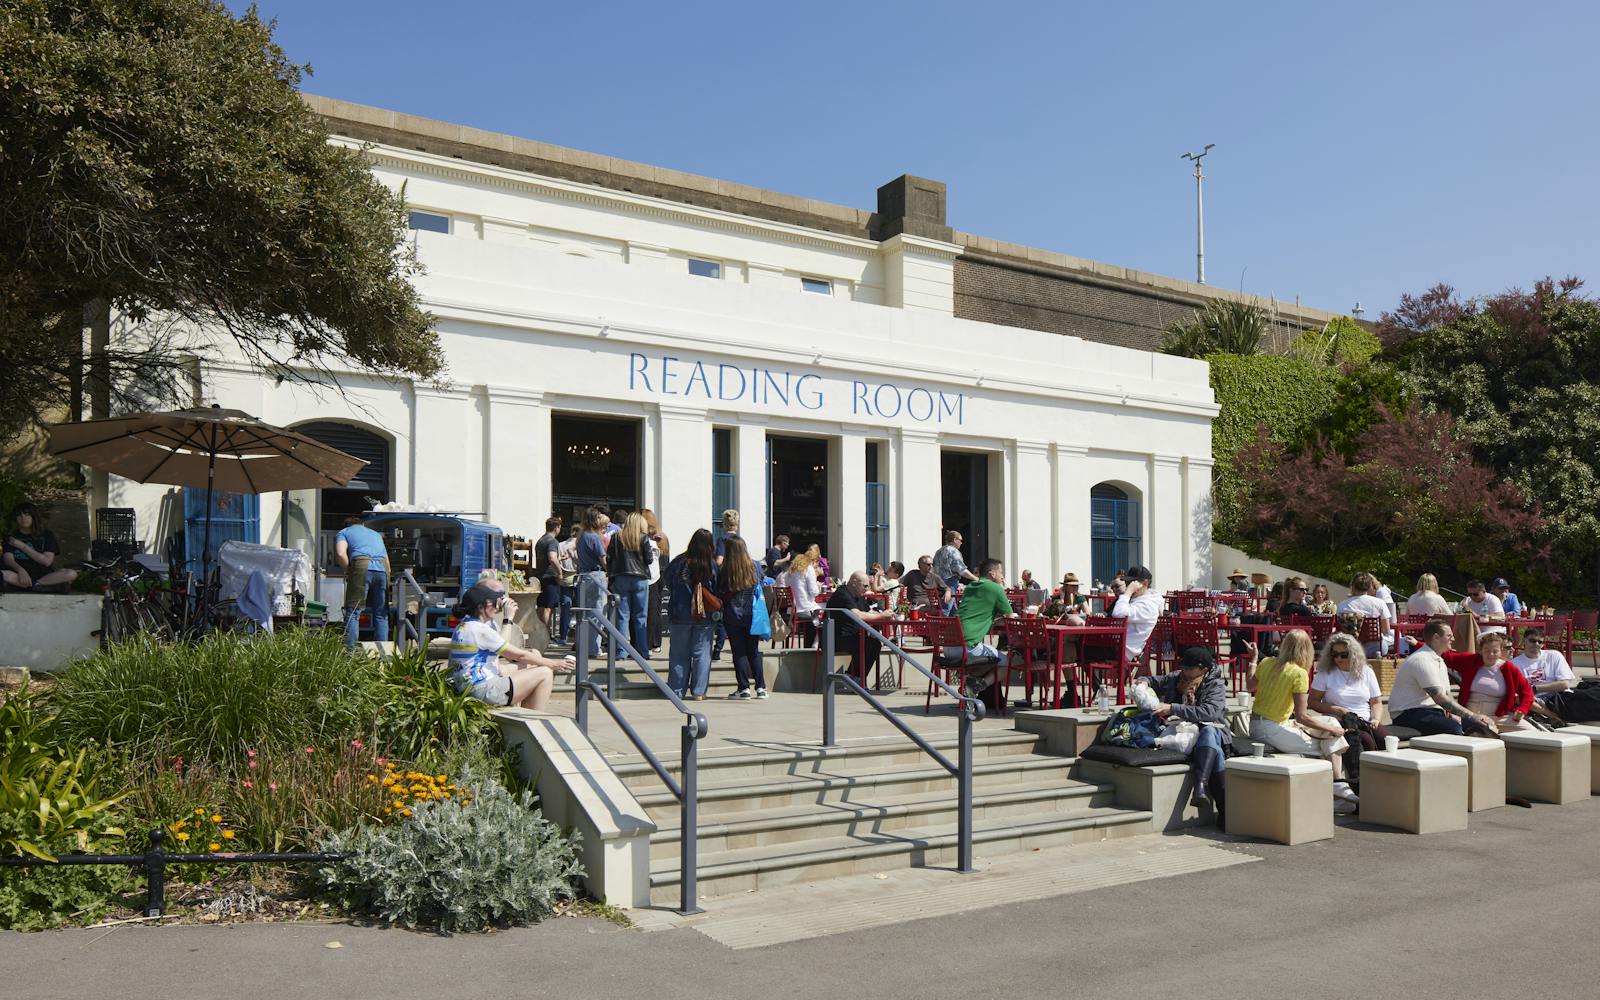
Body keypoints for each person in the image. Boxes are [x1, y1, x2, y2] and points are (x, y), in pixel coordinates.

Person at [1248, 629, 1355, 802]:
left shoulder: (1267, 662)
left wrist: (1253, 660)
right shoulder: (1299, 673)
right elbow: (1302, 717)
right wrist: (1334, 730)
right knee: (1329, 741)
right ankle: (1337, 786)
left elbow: (1249, 686)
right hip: (1272, 729)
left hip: (1257, 725)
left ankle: (1337, 787)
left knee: (1330, 723)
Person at [1135, 645, 1231, 813]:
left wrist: (1173, 708)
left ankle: (1200, 787)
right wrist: (1143, 682)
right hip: (1182, 733)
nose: (1184, 670)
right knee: (1216, 752)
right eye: (1183, 666)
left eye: (1188, 668)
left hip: (1212, 731)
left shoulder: (1215, 685)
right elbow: (1152, 679)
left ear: (1204, 669)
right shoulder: (1175, 678)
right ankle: (1222, 809)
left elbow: (1209, 713)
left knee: (1208, 732)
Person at [447, 584, 574, 709]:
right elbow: (520, 655)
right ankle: (531, 721)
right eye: (493, 603)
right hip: (483, 690)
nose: (497, 607)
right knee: (545, 673)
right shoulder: (480, 630)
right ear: (481, 607)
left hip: (469, 685)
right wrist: (554, 664)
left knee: (533, 661)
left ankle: (525, 713)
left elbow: (503, 648)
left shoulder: (464, 626)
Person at [1388, 620, 1496, 736]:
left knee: (1479, 726)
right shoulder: (1421, 659)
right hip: (1408, 713)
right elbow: (1439, 698)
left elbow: (1447, 696)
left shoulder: (1439, 660)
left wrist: (1455, 715)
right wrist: (1473, 715)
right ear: (1436, 637)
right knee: (1452, 728)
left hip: (1431, 711)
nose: (1453, 639)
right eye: (1449, 636)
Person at [1309, 632, 1389, 778]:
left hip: (1365, 720)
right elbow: (1312, 702)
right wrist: (1337, 710)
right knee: (1365, 742)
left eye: (1343, 655)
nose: (1338, 658)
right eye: (1334, 654)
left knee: (1385, 739)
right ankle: (1359, 781)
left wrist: (1376, 719)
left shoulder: (1367, 672)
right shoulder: (1325, 673)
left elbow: (1376, 702)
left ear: (1353, 654)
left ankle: (1384, 778)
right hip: (1339, 721)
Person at [942, 558, 1013, 697]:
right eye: (1001, 572)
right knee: (1006, 662)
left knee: (987, 658)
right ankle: (978, 686)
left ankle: (970, 680)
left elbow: (976, 611)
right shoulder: (996, 588)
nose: (1003, 576)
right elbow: (1010, 617)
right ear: (992, 573)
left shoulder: (971, 587)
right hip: (966, 646)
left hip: (948, 646)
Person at [666, 528, 718, 700]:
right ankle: (699, 691)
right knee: (702, 653)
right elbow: (718, 587)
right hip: (704, 615)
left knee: (679, 653)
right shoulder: (711, 565)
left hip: (680, 613)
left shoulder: (679, 562)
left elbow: (667, 580)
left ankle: (676, 690)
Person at [719, 537, 769, 699]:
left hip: (732, 615)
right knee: (753, 651)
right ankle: (761, 687)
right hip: (752, 614)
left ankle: (743, 688)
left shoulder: (725, 569)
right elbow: (761, 582)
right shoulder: (755, 566)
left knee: (739, 652)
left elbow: (720, 589)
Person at [825, 570, 896, 686]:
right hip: (836, 638)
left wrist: (885, 614)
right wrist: (881, 616)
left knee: (875, 644)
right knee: (866, 645)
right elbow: (857, 615)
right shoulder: (842, 594)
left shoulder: (859, 595)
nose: (867, 589)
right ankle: (853, 678)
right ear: (854, 582)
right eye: (865, 585)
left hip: (852, 636)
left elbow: (869, 611)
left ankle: (855, 678)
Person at [1456, 632, 1535, 733]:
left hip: (1498, 717)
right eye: (1487, 651)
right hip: (1471, 715)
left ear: (1501, 651)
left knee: (1531, 732)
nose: (1491, 654)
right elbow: (1445, 656)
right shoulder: (1470, 660)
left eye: (1495, 651)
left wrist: (1522, 710)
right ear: (1480, 651)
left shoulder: (1509, 668)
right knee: (1485, 733)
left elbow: (1527, 692)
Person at [334, 515, 389, 650]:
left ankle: (350, 653)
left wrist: (348, 571)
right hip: (383, 569)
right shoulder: (376, 534)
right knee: (381, 613)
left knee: (353, 611)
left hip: (362, 565)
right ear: (363, 525)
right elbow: (387, 560)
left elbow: (341, 553)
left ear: (347, 525)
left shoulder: (344, 532)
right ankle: (383, 652)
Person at [606, 512, 654, 657]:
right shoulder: (643, 538)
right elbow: (649, 559)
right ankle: (642, 651)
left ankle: (621, 652)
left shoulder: (616, 537)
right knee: (640, 616)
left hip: (621, 577)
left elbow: (609, 558)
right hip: (640, 578)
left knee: (622, 616)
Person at [3, 503, 77, 591]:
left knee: (71, 573)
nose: (23, 519)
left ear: (33, 517)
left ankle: (32, 585)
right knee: (3, 574)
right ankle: (39, 586)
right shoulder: (12, 536)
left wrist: (22, 546)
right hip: (18, 574)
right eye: (19, 516)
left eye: (27, 515)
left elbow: (46, 561)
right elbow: (8, 559)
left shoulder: (46, 535)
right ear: (15, 518)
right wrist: (20, 570)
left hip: (42, 575)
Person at [574, 508, 610, 657]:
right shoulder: (595, 538)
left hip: (583, 576)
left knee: (584, 614)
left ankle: (583, 647)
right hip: (596, 576)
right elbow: (603, 560)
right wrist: (611, 570)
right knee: (597, 613)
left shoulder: (581, 536)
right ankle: (594, 649)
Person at [1110, 565, 1163, 663]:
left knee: (1081, 647)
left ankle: (1076, 678)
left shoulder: (1148, 605)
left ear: (1145, 583)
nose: (1128, 585)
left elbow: (1118, 614)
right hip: (1115, 644)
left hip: (1124, 650)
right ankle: (1074, 678)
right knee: (1075, 646)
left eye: (1131, 583)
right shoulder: (1139, 599)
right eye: (1127, 582)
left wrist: (1128, 592)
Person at [1511, 628, 1576, 704]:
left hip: (1559, 697)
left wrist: (1535, 688)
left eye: (1540, 642)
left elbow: (1564, 684)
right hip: (1534, 701)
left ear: (1543, 644)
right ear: (1524, 641)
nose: (1536, 644)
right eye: (1532, 641)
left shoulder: (1554, 656)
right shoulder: (1514, 664)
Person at [1337, 571, 1392, 656]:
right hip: (1376, 648)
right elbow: (1386, 630)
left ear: (1353, 586)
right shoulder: (1380, 603)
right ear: (1369, 586)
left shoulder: (1342, 605)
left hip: (1348, 648)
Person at [781, 545, 824, 646]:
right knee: (826, 614)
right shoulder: (809, 568)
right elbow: (814, 592)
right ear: (813, 560)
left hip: (791, 609)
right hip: (805, 609)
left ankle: (812, 643)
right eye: (817, 562)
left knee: (817, 613)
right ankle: (816, 644)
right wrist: (818, 586)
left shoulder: (790, 571)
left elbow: (786, 583)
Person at [641, 509, 668, 653]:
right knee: (656, 609)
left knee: (649, 610)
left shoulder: (647, 537)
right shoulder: (662, 536)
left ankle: (649, 641)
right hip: (661, 574)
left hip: (651, 575)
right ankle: (657, 641)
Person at [533, 516, 563, 636]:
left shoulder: (541, 541)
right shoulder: (552, 541)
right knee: (548, 608)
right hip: (549, 578)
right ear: (556, 527)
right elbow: (552, 558)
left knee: (541, 607)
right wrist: (559, 572)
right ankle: (545, 635)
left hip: (540, 577)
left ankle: (539, 634)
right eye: (559, 527)